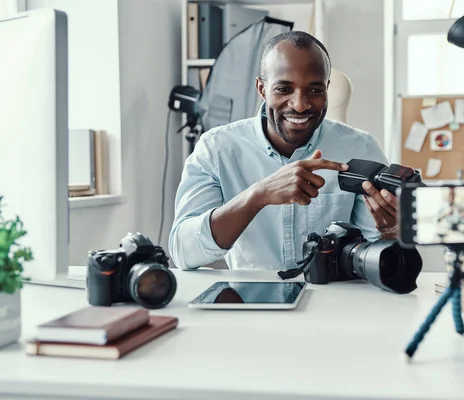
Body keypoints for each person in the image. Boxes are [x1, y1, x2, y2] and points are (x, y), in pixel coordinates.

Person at [169, 31, 420, 285]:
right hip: (253, 300)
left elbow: (379, 257)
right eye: (284, 88)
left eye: (315, 89)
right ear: (262, 89)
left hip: (337, 303)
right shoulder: (216, 149)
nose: (300, 104)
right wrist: (258, 195)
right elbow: (183, 251)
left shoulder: (361, 148)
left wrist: (392, 232)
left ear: (327, 89)